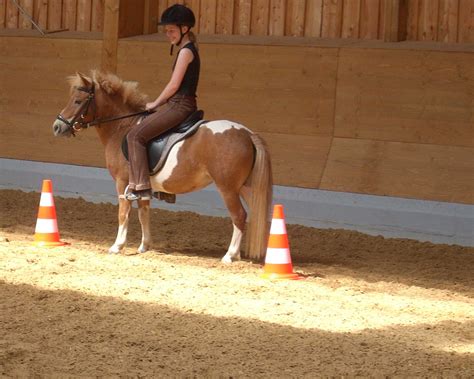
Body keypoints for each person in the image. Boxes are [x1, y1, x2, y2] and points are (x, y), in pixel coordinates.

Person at [125, 4, 200, 201]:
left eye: (172, 30)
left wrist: (155, 103)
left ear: (185, 29)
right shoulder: (186, 49)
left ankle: (140, 187)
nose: (168, 34)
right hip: (179, 104)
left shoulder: (185, 52)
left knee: (134, 136)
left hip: (179, 105)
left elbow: (174, 85)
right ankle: (164, 189)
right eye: (166, 31)